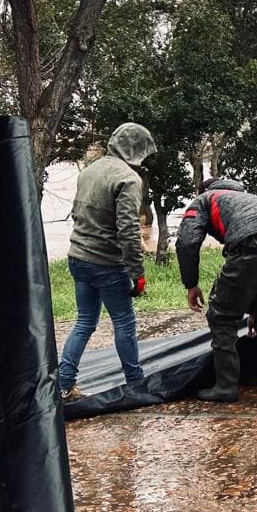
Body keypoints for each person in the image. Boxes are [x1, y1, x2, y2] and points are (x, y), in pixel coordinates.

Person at [57, 122, 157, 400]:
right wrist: (138, 273)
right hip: (107, 264)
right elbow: (127, 230)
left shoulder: (90, 170)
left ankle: (64, 385)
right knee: (124, 322)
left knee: (85, 321)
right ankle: (136, 384)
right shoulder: (128, 179)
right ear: (137, 150)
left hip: (78, 257)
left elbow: (78, 212)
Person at [177, 178, 257, 404]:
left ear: (205, 190)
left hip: (248, 244)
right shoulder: (255, 200)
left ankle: (226, 386)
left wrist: (191, 284)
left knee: (221, 317)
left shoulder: (204, 199)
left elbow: (187, 242)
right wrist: (255, 310)